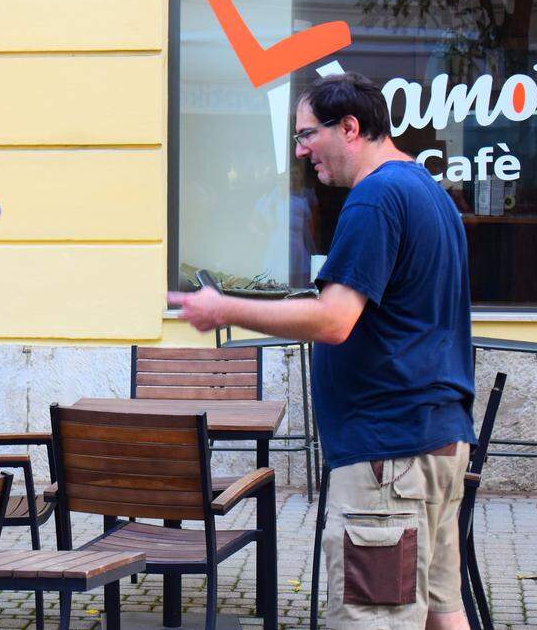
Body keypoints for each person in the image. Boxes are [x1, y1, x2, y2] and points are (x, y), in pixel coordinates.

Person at [169, 72, 476, 629]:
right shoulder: (429, 192)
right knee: (440, 610)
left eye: (308, 134)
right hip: (437, 441)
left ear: (350, 128)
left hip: (389, 453)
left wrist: (225, 308)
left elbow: (335, 319)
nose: (300, 150)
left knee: (371, 617)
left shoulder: (376, 198)